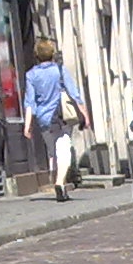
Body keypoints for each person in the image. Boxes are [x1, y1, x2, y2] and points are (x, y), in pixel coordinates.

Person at [21, 38, 89, 201]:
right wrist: (85, 115)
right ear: (52, 54)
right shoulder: (59, 70)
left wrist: (27, 125)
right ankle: (59, 183)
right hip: (61, 117)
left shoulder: (31, 75)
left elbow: (30, 102)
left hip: (44, 120)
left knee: (53, 152)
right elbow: (74, 93)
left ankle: (58, 182)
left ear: (36, 55)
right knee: (64, 149)